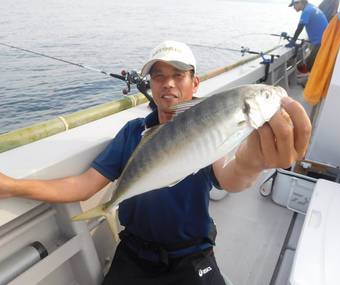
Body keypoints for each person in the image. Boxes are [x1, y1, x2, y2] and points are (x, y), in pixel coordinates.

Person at [0, 40, 312, 285]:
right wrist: (14, 186)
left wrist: (253, 163)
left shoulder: (208, 123)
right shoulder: (135, 132)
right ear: (150, 84)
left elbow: (231, 175)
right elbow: (84, 185)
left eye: (179, 75)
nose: (169, 84)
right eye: (159, 76)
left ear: (195, 83)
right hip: (133, 254)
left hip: (193, 257)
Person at [286, 0, 328, 71]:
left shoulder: (307, 11)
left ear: (299, 2)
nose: (293, 7)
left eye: (294, 5)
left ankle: (312, 79)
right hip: (325, 38)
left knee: (310, 64)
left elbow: (300, 27)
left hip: (321, 41)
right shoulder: (311, 7)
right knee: (312, 62)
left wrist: (293, 40)